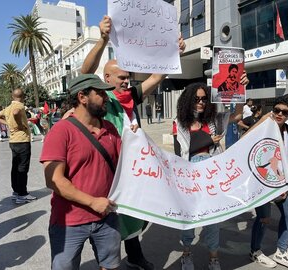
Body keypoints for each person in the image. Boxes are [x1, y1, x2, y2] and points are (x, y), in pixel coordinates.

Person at [80, 15, 186, 270]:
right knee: (112, 217)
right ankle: (109, 261)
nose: (127, 81)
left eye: (128, 77)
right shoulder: (101, 100)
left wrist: (174, 52)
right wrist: (103, 39)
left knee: (136, 213)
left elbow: (156, 78)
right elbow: (84, 72)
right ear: (106, 78)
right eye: (121, 78)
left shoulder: (130, 97)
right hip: (109, 168)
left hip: (134, 168)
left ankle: (135, 257)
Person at [40, 74, 122, 270]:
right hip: (69, 222)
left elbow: (127, 164)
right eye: (101, 93)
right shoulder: (61, 131)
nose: (107, 99)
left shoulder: (110, 129)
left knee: (111, 266)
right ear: (82, 97)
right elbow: (54, 180)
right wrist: (93, 202)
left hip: (107, 217)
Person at [173, 81, 248, 270]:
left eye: (204, 99)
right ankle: (186, 253)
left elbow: (238, 114)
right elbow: (180, 151)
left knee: (213, 217)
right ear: (188, 100)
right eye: (196, 99)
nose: (200, 102)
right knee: (189, 217)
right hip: (190, 173)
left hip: (212, 170)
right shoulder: (180, 123)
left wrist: (241, 90)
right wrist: (206, 140)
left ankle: (214, 257)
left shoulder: (213, 120)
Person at [246, 95, 288, 270]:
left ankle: (282, 250)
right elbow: (245, 139)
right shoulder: (263, 128)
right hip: (261, 182)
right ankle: (255, 251)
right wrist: (262, 120)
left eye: (284, 112)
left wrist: (287, 184)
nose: (279, 114)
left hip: (280, 182)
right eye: (276, 110)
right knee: (264, 218)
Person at [0, 88, 37, 204]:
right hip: (22, 140)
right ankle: (22, 194)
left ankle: (16, 191)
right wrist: (20, 125)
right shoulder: (20, 106)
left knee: (15, 167)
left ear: (12, 96)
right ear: (23, 97)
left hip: (13, 141)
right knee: (23, 167)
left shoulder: (7, 108)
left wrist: (8, 124)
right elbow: (16, 112)